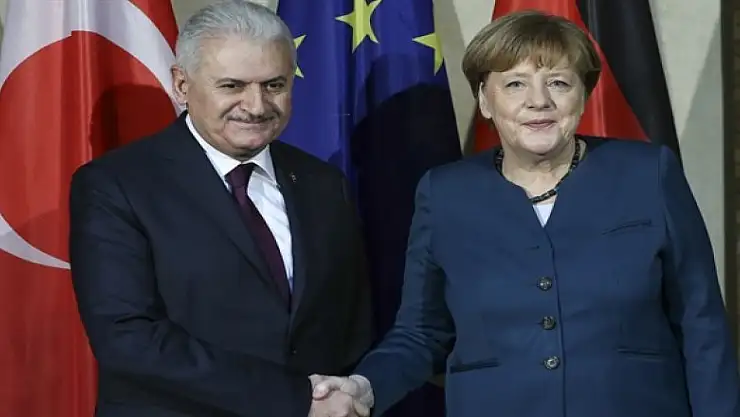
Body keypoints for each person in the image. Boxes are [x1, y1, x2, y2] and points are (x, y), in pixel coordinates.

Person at [310, 10, 740, 417]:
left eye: (558, 83)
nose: (539, 101)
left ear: (584, 95)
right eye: (515, 84)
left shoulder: (648, 173)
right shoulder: (444, 193)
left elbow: (701, 324)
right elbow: (421, 332)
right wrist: (364, 387)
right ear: (485, 99)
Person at [68, 1, 373, 416]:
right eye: (232, 86)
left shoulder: (323, 182)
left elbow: (349, 322)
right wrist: (293, 400)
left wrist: (346, 394)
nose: (257, 105)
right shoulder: (116, 185)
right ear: (181, 85)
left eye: (274, 85)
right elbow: (128, 337)